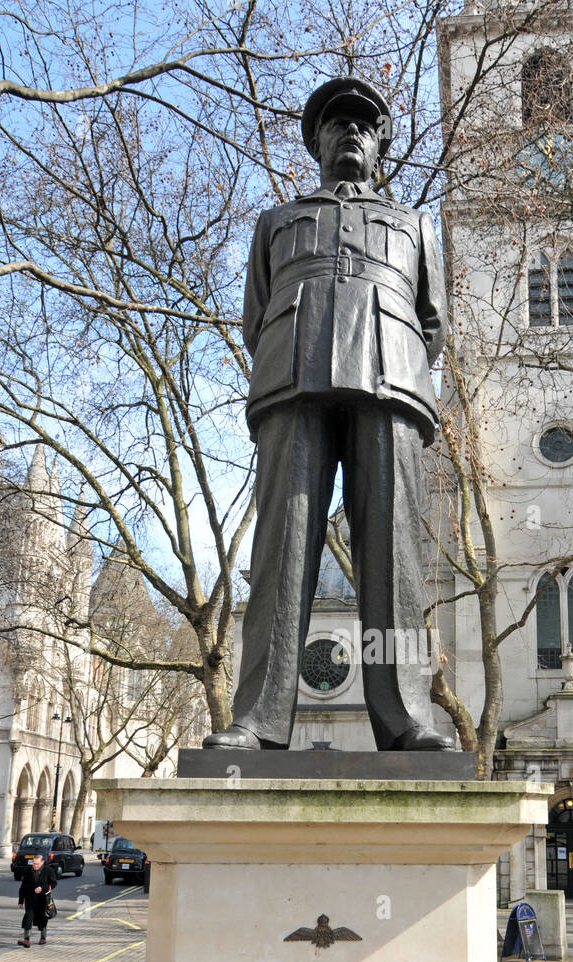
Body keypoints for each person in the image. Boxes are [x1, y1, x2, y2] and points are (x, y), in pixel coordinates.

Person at [203, 77, 451, 754]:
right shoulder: (277, 221)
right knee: (281, 548)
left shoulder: (413, 225)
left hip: (390, 378)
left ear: (380, 145)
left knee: (392, 551)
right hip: (293, 374)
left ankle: (404, 715)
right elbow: (256, 315)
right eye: (336, 124)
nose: (350, 134)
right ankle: (258, 717)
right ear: (315, 142)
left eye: (364, 126)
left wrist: (387, 351)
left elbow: (431, 324)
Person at [17, 851, 57, 948]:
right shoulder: (28, 871)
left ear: (42, 862)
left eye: (37, 864)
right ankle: (26, 940)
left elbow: (53, 883)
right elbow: (23, 886)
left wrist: (42, 888)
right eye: (33, 863)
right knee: (28, 917)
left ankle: (43, 937)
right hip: (30, 899)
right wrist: (21, 901)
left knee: (42, 918)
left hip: (43, 899)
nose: (34, 866)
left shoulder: (49, 871)